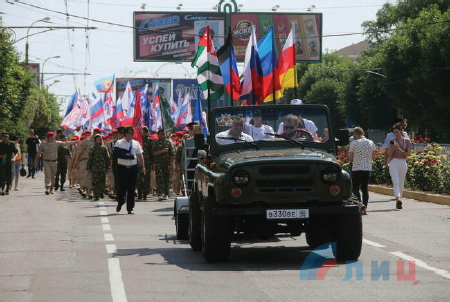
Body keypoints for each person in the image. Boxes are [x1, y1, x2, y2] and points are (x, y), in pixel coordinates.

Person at [114, 126, 145, 214]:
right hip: (122, 168)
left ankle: (130, 208)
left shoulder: (136, 143)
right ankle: (120, 202)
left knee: (131, 189)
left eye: (133, 133)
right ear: (126, 134)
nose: (132, 135)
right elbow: (116, 154)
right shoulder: (119, 143)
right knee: (121, 188)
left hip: (133, 168)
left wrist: (143, 168)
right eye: (131, 133)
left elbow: (140, 156)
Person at [348, 127, 376, 215]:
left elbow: (351, 157)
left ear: (356, 134)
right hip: (367, 168)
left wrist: (354, 160)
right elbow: (373, 156)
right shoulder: (370, 142)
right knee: (365, 188)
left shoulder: (354, 143)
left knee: (355, 188)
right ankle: (365, 208)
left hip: (357, 168)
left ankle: (360, 204)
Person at [387, 125, 412, 209]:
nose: (396, 134)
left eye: (397, 132)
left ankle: (399, 197)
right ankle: (398, 199)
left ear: (401, 131)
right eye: (394, 133)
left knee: (401, 181)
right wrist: (393, 148)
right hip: (393, 162)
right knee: (396, 181)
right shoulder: (392, 141)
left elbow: (408, 154)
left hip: (402, 162)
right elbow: (389, 155)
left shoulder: (407, 141)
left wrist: (399, 149)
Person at [152, 129, 175, 201]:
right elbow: (154, 153)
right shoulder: (155, 143)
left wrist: (170, 164)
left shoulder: (169, 142)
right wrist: (162, 151)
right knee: (159, 179)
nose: (161, 135)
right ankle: (160, 194)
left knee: (166, 179)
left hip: (166, 163)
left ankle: (166, 193)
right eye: (160, 134)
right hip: (158, 163)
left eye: (163, 134)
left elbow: (172, 154)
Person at [86, 134, 110, 201]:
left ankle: (101, 192)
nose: (98, 141)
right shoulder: (92, 148)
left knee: (102, 181)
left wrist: (108, 167)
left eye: (100, 139)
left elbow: (107, 158)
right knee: (95, 181)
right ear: (95, 140)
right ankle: (96, 195)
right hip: (95, 168)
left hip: (103, 167)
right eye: (97, 139)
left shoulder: (104, 148)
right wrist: (88, 167)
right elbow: (90, 158)